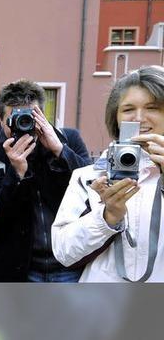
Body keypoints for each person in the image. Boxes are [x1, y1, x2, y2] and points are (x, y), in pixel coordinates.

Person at [53, 65, 164, 282]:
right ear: (116, 116)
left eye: (153, 107)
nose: (139, 118)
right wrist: (107, 217)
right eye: (128, 109)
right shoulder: (89, 176)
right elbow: (63, 252)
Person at [0, 79, 91, 282]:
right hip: (21, 269)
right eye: (14, 120)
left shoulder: (68, 140)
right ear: (1, 121)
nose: (23, 126)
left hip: (70, 263)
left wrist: (60, 151)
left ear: (42, 118)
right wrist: (16, 174)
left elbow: (91, 190)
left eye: (29, 119)